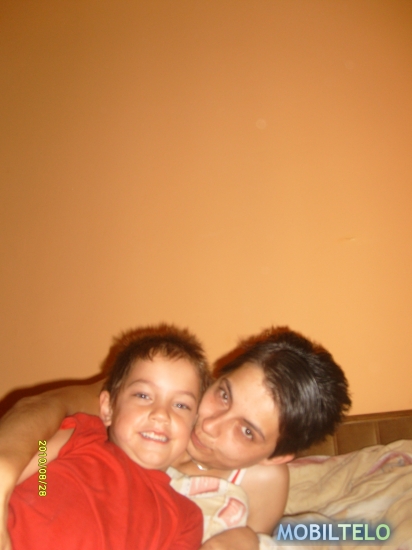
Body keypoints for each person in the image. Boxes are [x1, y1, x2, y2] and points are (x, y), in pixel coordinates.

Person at [0, 325, 351, 550]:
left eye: (246, 431)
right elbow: (44, 425)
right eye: (223, 394)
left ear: (275, 456)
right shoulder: (153, 388)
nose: (210, 425)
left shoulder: (189, 513)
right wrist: (21, 480)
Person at [8, 325, 212, 550]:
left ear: (193, 425)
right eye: (143, 395)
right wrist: (42, 489)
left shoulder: (186, 519)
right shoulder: (81, 434)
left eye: (181, 405)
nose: (161, 414)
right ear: (108, 408)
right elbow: (35, 454)